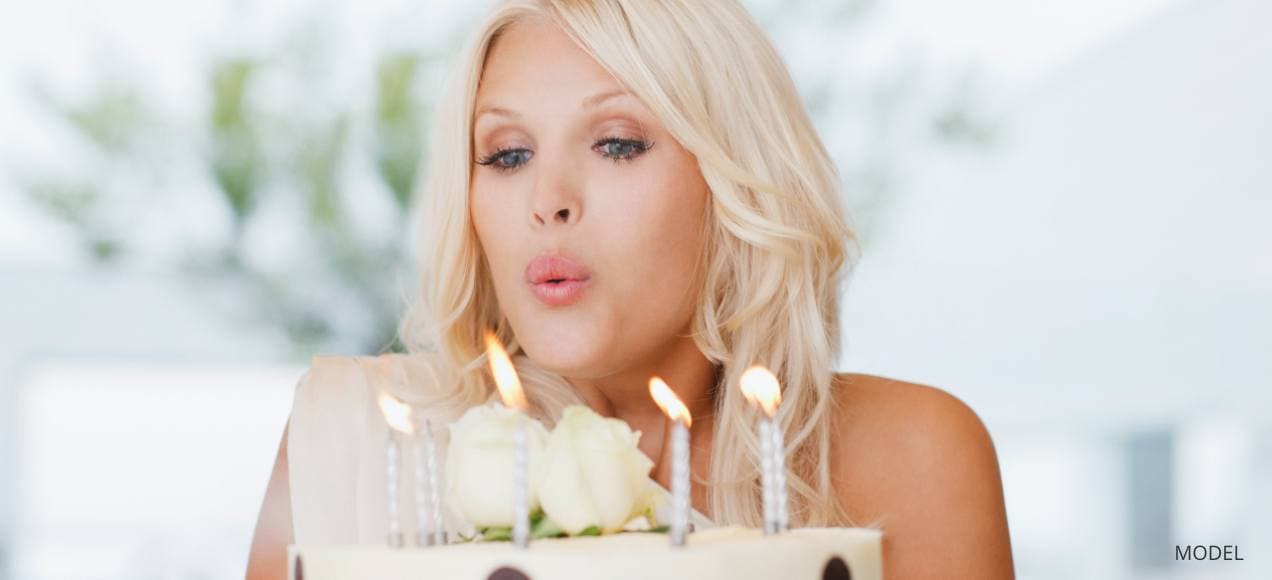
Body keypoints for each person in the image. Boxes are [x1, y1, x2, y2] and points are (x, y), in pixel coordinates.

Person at [246, 0, 1015, 578]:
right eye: (507, 155)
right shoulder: (356, 443)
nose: (548, 199)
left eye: (617, 144)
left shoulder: (916, 457)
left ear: (732, 179)